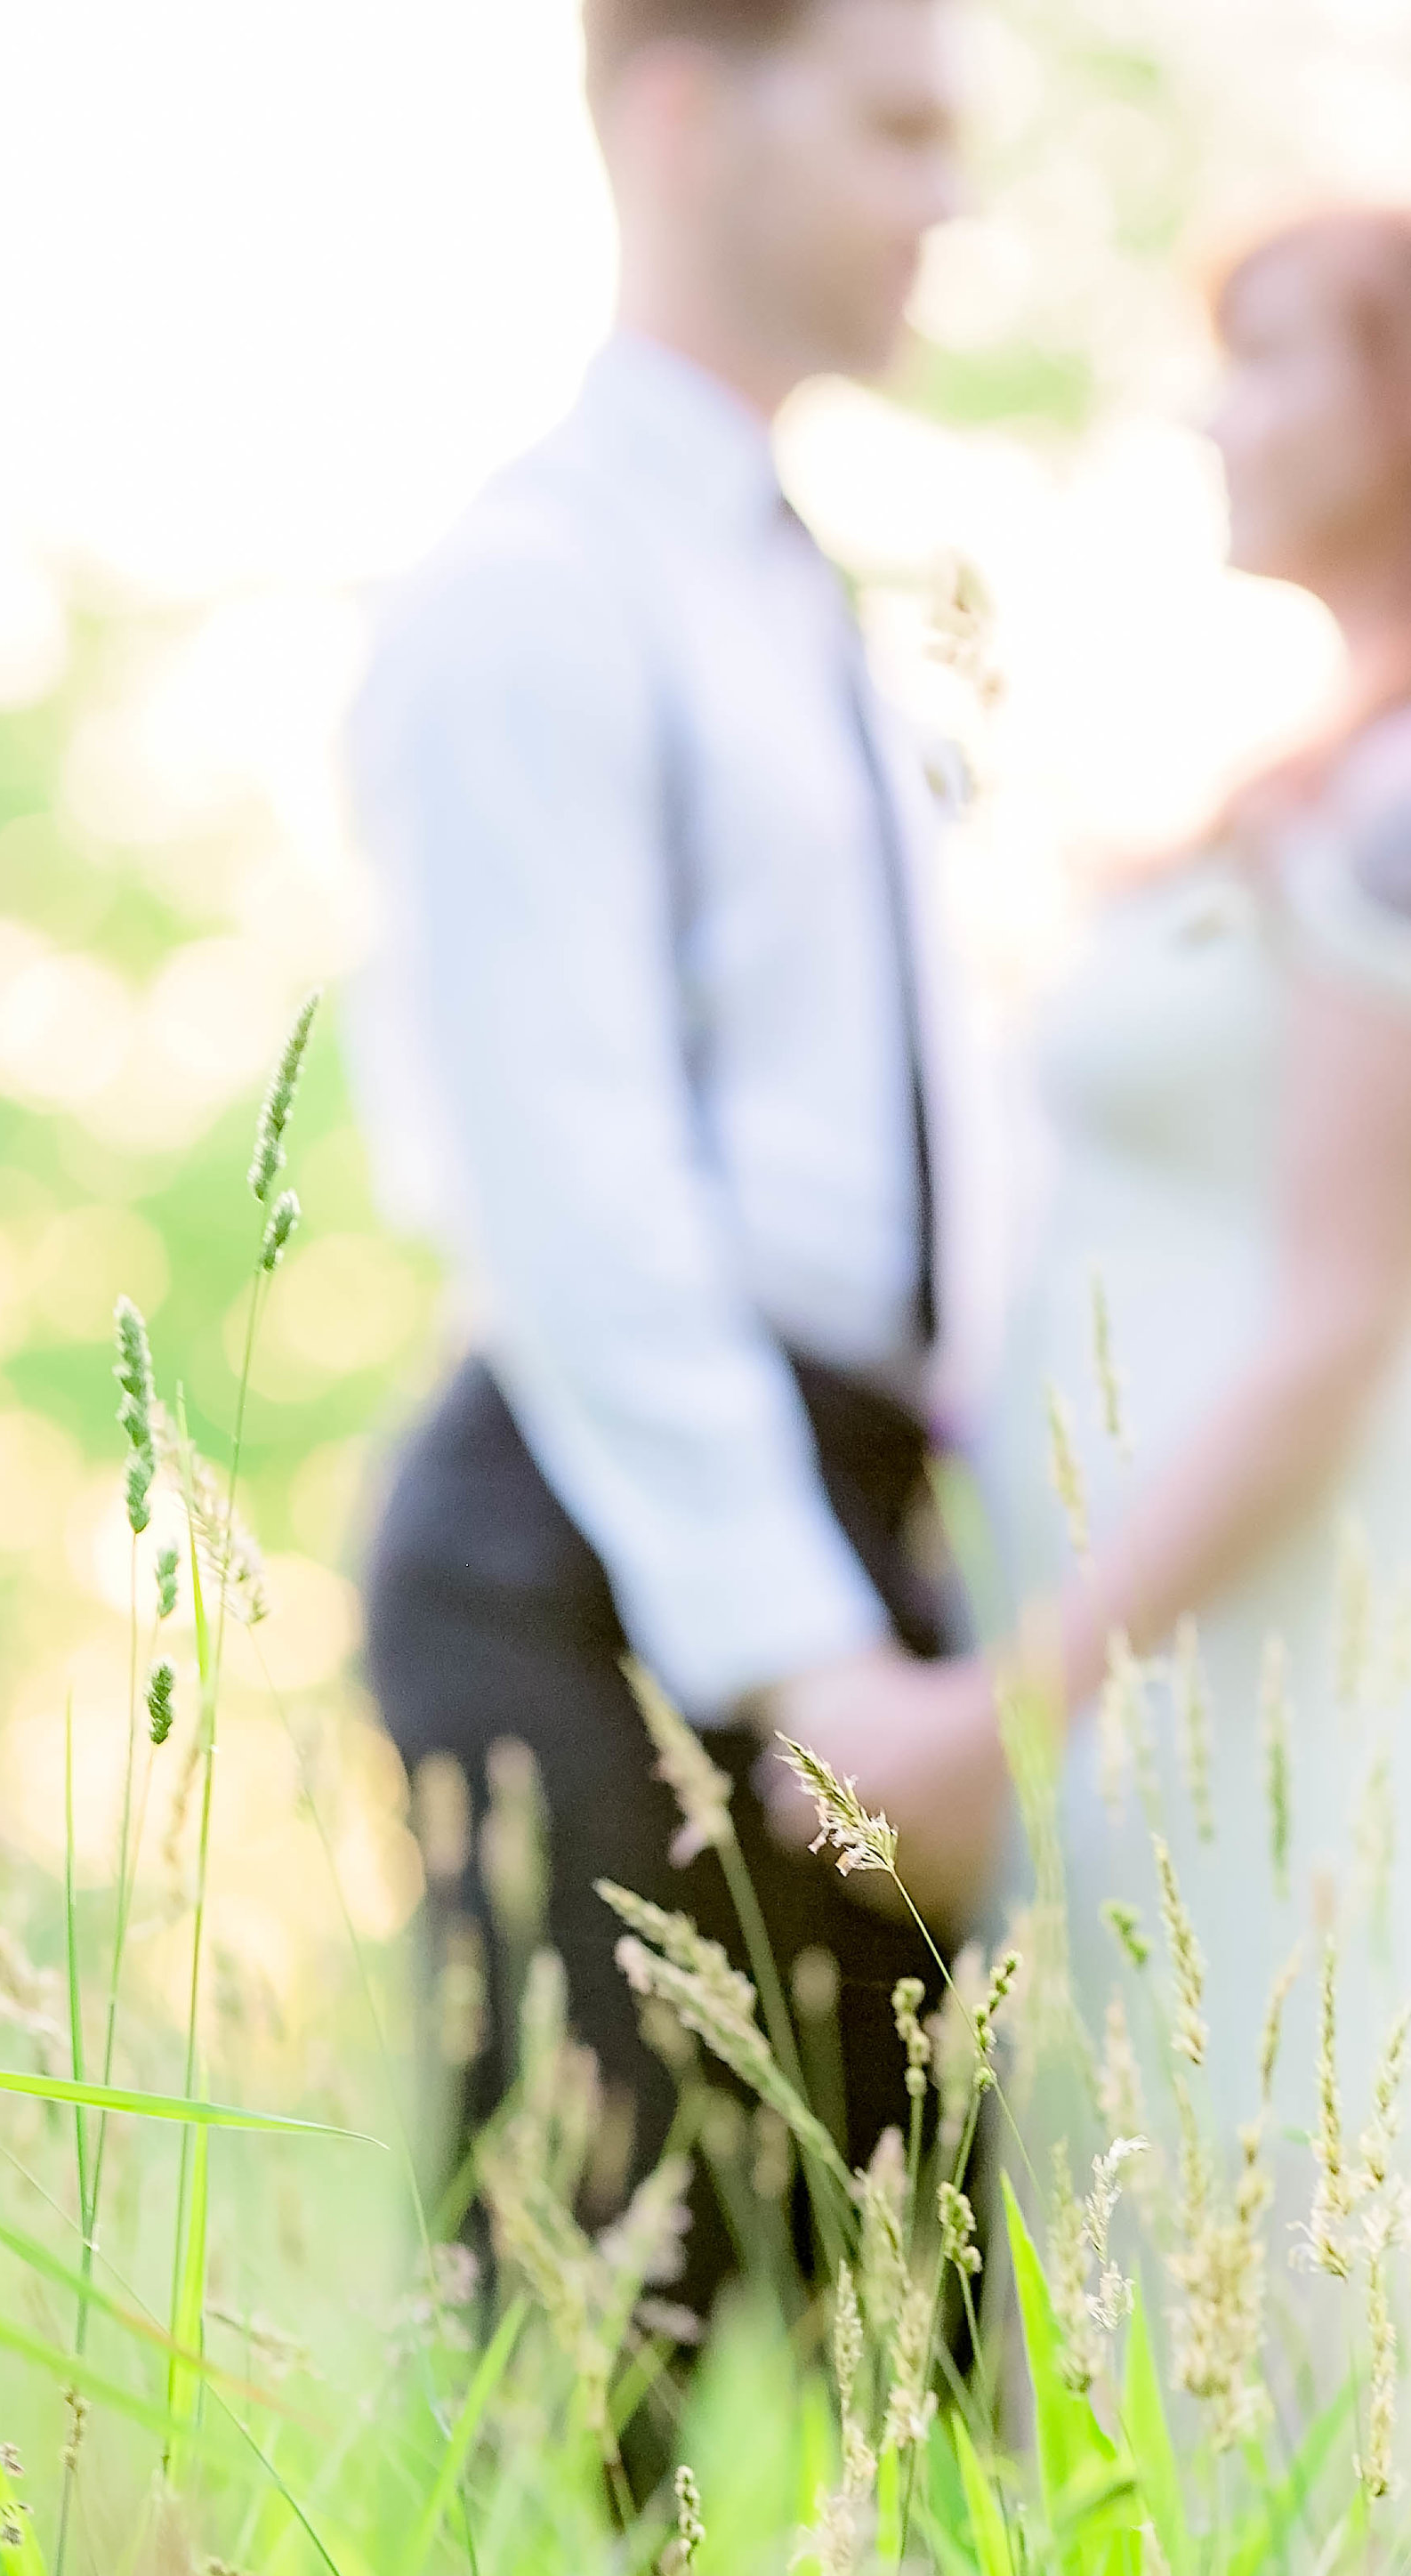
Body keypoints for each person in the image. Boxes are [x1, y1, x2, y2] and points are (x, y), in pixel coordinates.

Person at [350, 0, 1007, 2329]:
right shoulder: (542, 579)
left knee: (914, 2408)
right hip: (615, 1552)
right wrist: (808, 1654)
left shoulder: (795, 591)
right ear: (682, 111)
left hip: (847, 1541)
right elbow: (578, 1172)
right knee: (599, 2391)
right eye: (895, 127)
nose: (951, 196)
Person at [982, 208, 1411, 2212]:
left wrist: (1010, 1702)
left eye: (1267, 362)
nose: (1208, 415)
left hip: (1267, 1633)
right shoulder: (1347, 781)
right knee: (1134, 2276)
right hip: (1147, 1643)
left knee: (1287, 2243)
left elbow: (1342, 1316)